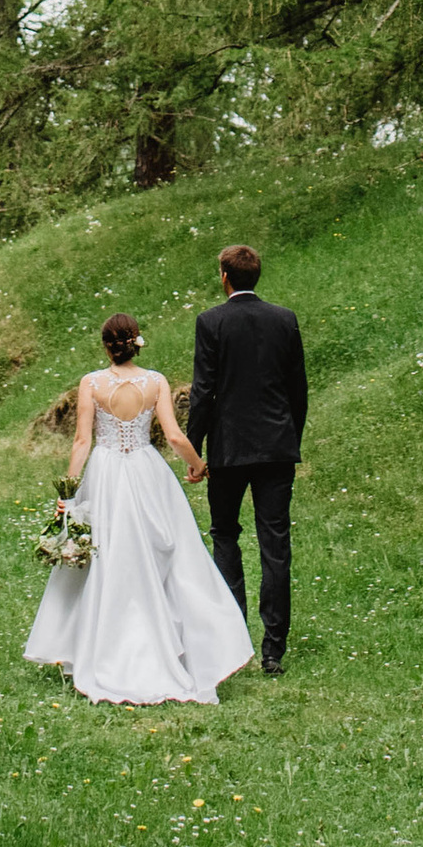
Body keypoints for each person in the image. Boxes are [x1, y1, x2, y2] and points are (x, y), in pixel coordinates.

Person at [23, 312, 254, 707]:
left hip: (107, 473)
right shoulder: (155, 382)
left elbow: (82, 441)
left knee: (107, 556)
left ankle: (100, 649)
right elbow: (175, 435)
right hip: (147, 471)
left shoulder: (91, 384)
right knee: (169, 554)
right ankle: (179, 647)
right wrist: (197, 465)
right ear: (136, 343)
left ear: (106, 345)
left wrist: (71, 491)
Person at [188, 243, 307, 678]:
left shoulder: (211, 322)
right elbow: (299, 389)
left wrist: (195, 449)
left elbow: (203, 391)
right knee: (275, 544)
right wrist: (291, 437)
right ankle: (274, 648)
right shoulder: (284, 320)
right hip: (277, 446)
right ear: (256, 275)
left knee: (225, 535)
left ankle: (233, 636)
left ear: (225, 277)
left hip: (229, 449)